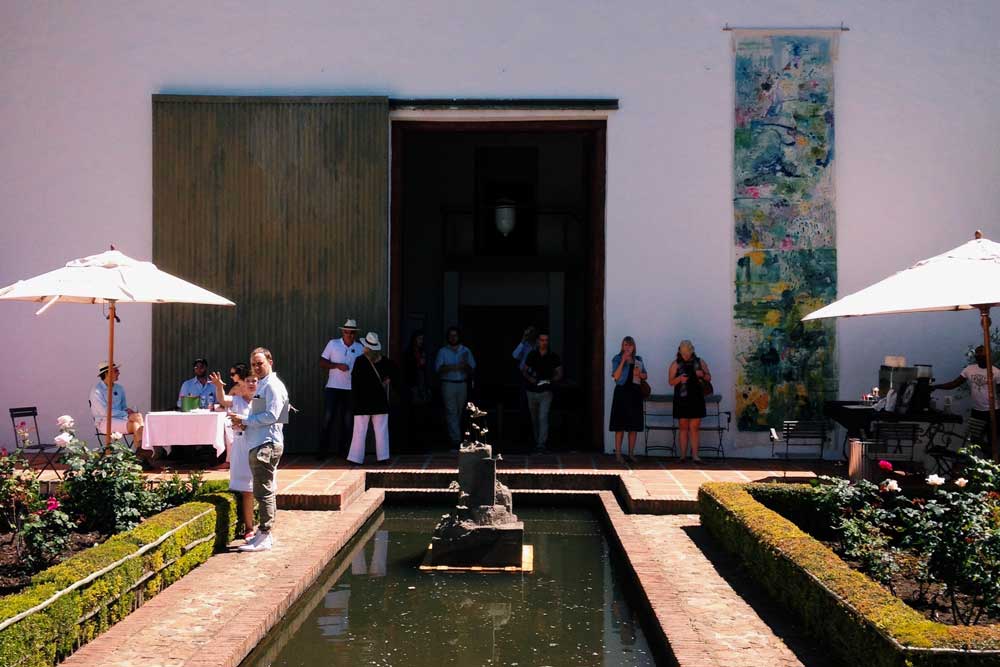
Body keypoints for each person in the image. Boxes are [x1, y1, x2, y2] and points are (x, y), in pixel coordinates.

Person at [230, 347, 289, 553]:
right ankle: (263, 533)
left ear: (270, 362)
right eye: (253, 364)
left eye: (260, 363)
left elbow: (273, 416)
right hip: (260, 442)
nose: (256, 367)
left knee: (264, 491)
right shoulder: (265, 384)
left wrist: (245, 420)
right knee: (262, 489)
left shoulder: (272, 385)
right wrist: (245, 424)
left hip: (267, 444)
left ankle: (265, 534)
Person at [209, 363, 256, 540]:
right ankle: (248, 527)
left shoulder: (262, 402)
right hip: (241, 447)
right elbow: (222, 400)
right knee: (244, 488)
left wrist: (244, 422)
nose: (250, 384)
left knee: (259, 488)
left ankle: (262, 525)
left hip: (257, 446)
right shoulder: (236, 400)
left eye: (254, 381)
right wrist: (219, 386)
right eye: (247, 381)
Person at [933, 344, 1000, 452]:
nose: (979, 357)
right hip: (977, 411)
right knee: (974, 439)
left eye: (982, 355)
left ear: (988, 356)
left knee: (993, 439)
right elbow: (954, 383)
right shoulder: (970, 369)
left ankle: (992, 458)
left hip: (993, 411)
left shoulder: (996, 372)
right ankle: (987, 455)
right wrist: (936, 387)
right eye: (977, 355)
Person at [347, 332, 398, 465]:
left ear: (366, 347)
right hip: (379, 401)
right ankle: (383, 457)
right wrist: (386, 381)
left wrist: (354, 401)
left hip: (362, 401)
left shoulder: (360, 361)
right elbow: (394, 374)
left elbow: (355, 383)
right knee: (381, 431)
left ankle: (356, 459)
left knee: (359, 431)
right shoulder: (385, 361)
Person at [319, 318, 364, 459]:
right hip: (333, 388)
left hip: (351, 389)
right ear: (342, 332)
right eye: (346, 332)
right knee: (328, 419)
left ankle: (344, 452)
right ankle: (322, 452)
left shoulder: (360, 348)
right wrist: (337, 366)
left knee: (348, 422)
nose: (349, 335)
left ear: (355, 334)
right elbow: (322, 362)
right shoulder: (333, 344)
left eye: (352, 333)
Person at [668, 340, 712, 463]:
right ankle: (682, 456)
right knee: (683, 427)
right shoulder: (676, 364)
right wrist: (679, 379)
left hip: (696, 398)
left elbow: (709, 377)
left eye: (687, 353)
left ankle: (695, 456)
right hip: (682, 399)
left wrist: (702, 374)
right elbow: (671, 382)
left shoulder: (700, 362)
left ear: (692, 351)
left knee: (694, 428)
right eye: (683, 353)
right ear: (680, 352)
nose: (686, 355)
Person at [89, 361, 146, 452]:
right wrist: (126, 414)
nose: (119, 373)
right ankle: (144, 449)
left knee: (136, 421)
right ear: (107, 373)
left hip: (120, 418)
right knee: (137, 419)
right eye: (116, 371)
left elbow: (123, 407)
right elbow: (105, 412)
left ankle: (141, 451)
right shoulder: (96, 391)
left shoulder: (119, 388)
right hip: (104, 422)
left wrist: (128, 410)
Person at [435, 326, 476, 447]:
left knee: (459, 411)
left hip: (462, 384)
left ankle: (455, 435)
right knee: (451, 411)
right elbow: (438, 369)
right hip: (448, 384)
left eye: (455, 335)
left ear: (459, 336)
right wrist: (453, 367)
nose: (453, 338)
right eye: (451, 335)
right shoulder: (443, 351)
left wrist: (464, 366)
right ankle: (456, 439)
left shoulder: (466, 351)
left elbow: (472, 368)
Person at [522, 330, 562, 452]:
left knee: (543, 417)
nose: (544, 342)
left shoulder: (553, 356)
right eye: (542, 340)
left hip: (546, 391)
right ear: (538, 341)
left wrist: (551, 380)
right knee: (534, 418)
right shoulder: (532, 355)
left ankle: (541, 444)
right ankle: (537, 441)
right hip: (531, 391)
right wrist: (531, 379)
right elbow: (524, 370)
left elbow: (559, 373)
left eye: (546, 340)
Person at [609, 336, 647, 464]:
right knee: (619, 425)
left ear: (634, 347)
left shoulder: (638, 359)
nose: (628, 348)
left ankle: (631, 454)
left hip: (635, 394)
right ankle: (618, 454)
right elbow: (615, 376)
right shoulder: (617, 358)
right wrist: (623, 362)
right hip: (621, 393)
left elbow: (645, 375)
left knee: (633, 426)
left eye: (630, 345)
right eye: (625, 345)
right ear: (622, 346)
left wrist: (640, 374)